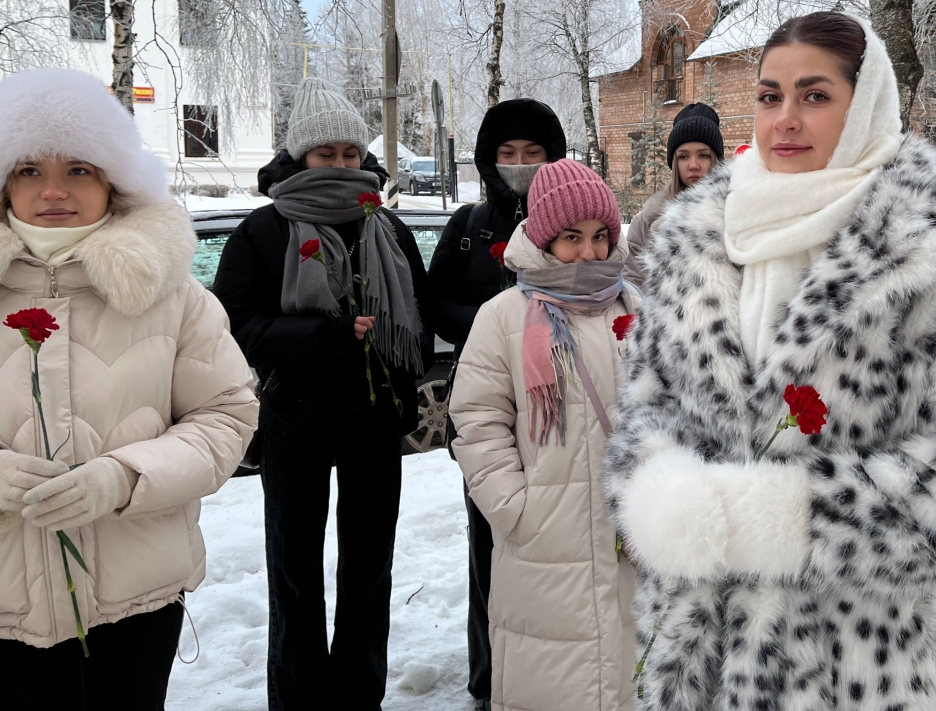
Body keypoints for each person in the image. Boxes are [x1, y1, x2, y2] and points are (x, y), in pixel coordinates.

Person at [604, 12, 936, 711]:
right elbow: (645, 405)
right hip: (699, 660)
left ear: (865, 103)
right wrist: (662, 496)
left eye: (814, 95)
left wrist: (795, 517)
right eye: (769, 96)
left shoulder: (933, 245)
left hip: (860, 664)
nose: (785, 118)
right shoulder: (693, 240)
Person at [0, 69, 258, 709]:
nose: (53, 189)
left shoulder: (174, 295)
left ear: (113, 181)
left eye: (79, 169)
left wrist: (123, 478)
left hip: (136, 599)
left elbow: (225, 417)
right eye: (29, 169)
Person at [212, 77, 433, 711]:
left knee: (369, 574)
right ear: (299, 156)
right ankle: (299, 699)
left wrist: (403, 378)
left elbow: (417, 317)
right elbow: (233, 325)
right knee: (295, 576)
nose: (340, 164)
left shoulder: (386, 226)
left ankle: (360, 697)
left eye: (350, 153)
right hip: (295, 424)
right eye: (325, 153)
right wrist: (323, 336)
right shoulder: (264, 230)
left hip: (373, 428)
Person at [450, 159, 639, 711]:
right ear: (543, 238)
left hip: (630, 539)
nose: (590, 253)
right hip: (543, 545)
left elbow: (671, 406)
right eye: (572, 237)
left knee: (630, 674)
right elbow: (477, 420)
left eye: (600, 236)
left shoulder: (637, 308)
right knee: (553, 681)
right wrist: (514, 509)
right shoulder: (504, 316)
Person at [427, 98, 566, 711]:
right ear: (488, 160)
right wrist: (502, 328)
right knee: (488, 538)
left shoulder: (570, 221)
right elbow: (436, 304)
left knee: (556, 540)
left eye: (533, 153)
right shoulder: (469, 226)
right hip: (486, 410)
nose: (520, 164)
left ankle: (554, 669)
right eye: (508, 153)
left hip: (560, 408)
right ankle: (489, 677)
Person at [624, 102, 723, 288]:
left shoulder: (736, 216)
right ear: (674, 162)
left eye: (703, 155)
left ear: (716, 160)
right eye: (683, 156)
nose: (693, 165)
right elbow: (634, 288)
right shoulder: (645, 223)